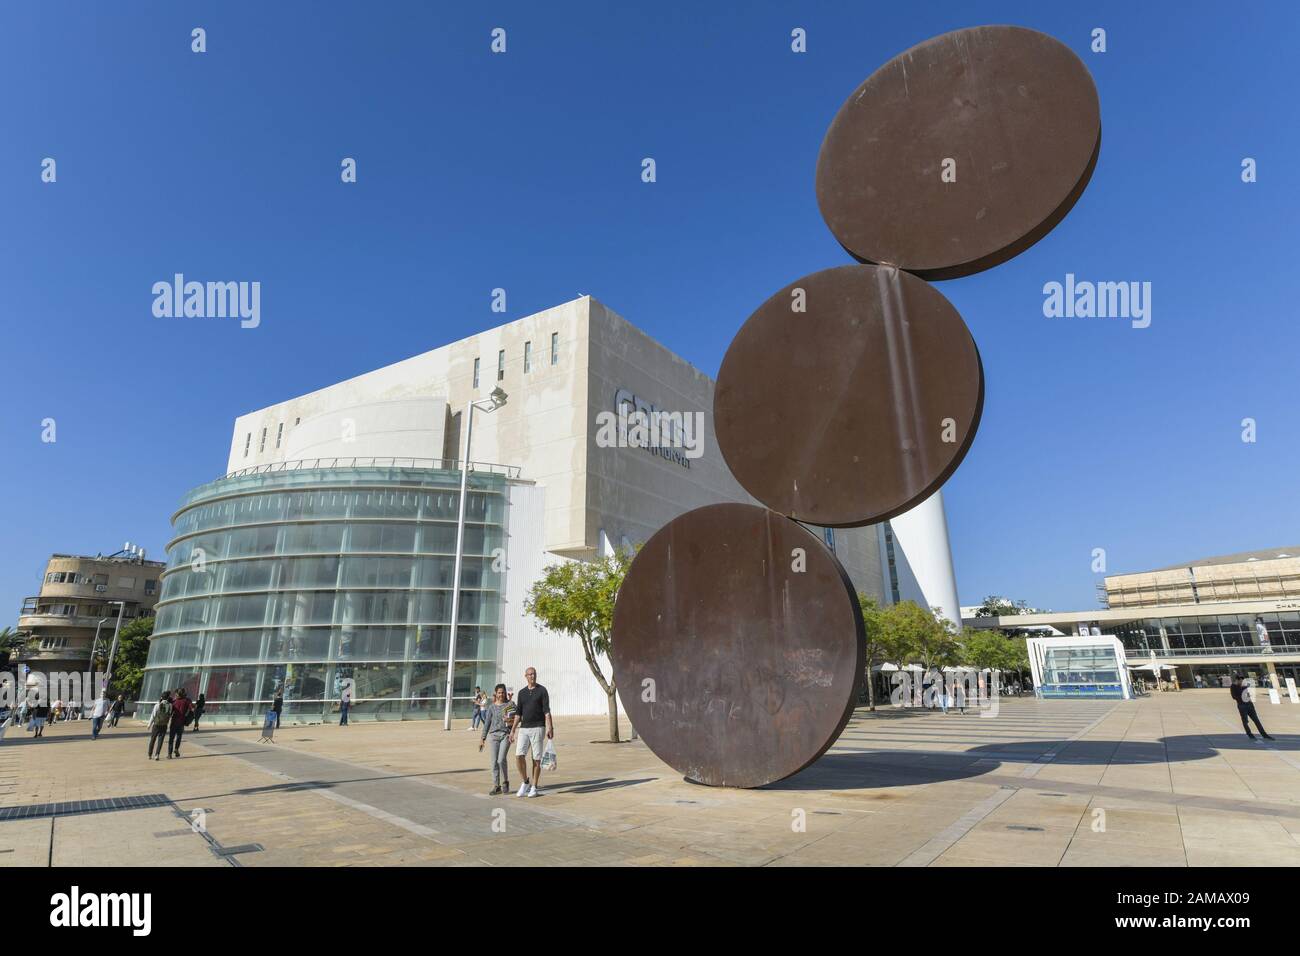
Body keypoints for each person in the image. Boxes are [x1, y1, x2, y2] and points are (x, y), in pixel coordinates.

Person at [510, 667, 552, 798]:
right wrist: (512, 731)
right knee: (519, 756)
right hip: (524, 728)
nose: (532, 676)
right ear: (525, 676)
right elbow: (518, 714)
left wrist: (550, 727)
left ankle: (534, 786)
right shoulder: (522, 693)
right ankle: (525, 782)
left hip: (538, 727)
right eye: (530, 674)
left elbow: (547, 711)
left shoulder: (542, 690)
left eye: (534, 674)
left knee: (536, 759)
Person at [478, 683, 516, 795]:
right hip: (494, 736)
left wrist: (512, 729)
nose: (501, 694)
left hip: (505, 735)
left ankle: (505, 781)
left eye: (503, 692)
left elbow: (517, 716)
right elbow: (487, 724)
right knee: (494, 761)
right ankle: (496, 786)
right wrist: (482, 738)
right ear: (496, 693)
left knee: (501, 759)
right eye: (499, 692)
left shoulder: (510, 704)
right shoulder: (491, 707)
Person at [1232, 676, 1274, 741]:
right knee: (1245, 721)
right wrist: (1242, 696)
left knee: (1256, 720)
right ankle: (1250, 734)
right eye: (1241, 681)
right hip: (1242, 705)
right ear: (1237, 680)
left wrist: (1249, 700)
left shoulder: (1243, 686)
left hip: (1249, 705)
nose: (1242, 682)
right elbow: (1234, 697)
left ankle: (1264, 734)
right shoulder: (1233, 686)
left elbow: (1247, 693)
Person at [168, 688, 194, 758]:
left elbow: (170, 712)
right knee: (179, 737)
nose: (175, 694)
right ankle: (176, 749)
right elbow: (192, 709)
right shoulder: (187, 701)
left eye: (176, 693)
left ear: (178, 694)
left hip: (174, 722)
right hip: (182, 722)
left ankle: (169, 754)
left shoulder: (174, 701)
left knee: (171, 738)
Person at [147, 692, 173, 760]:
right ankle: (157, 755)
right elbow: (169, 715)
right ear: (168, 698)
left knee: (153, 739)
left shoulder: (157, 705)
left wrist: (149, 725)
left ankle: (150, 754)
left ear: (161, 697)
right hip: (164, 725)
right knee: (160, 740)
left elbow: (153, 715)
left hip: (156, 724)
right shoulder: (170, 705)